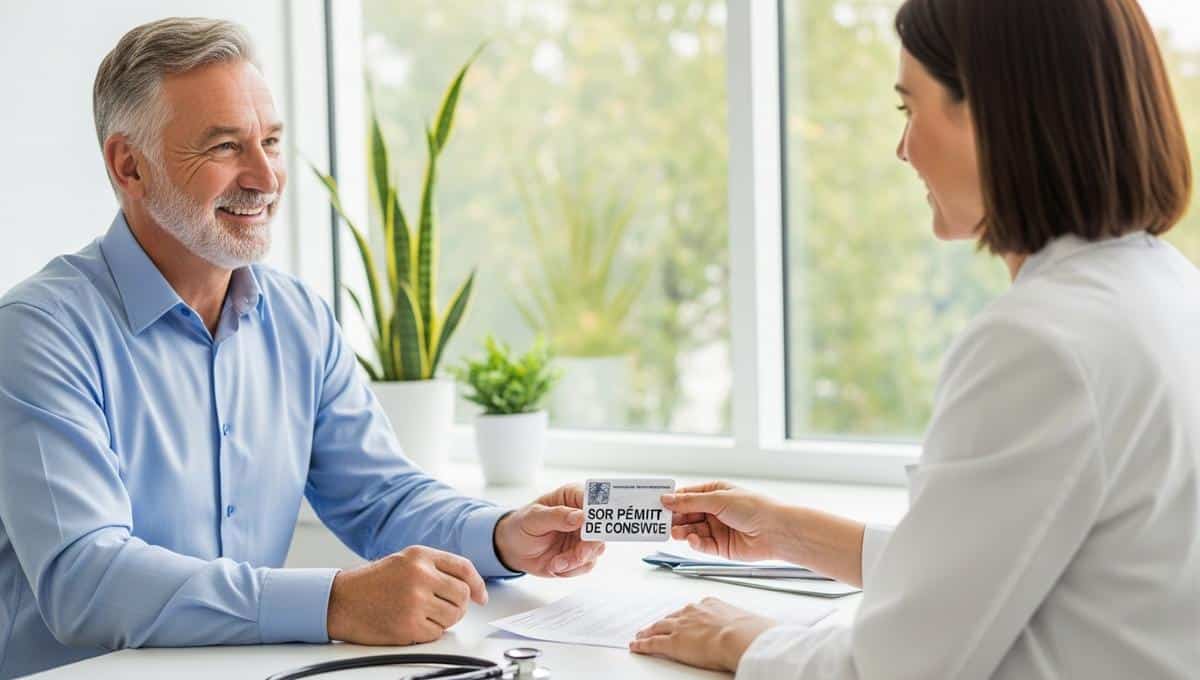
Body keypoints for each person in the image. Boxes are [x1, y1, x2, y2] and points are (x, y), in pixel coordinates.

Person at [0, 18, 604, 679]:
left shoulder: (297, 319)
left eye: (272, 142)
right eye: (226, 147)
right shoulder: (38, 332)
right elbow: (85, 579)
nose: (265, 177)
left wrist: (504, 534)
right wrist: (336, 601)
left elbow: (382, 498)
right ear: (129, 165)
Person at [630, 0, 1200, 678]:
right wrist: (785, 530)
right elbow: (1001, 558)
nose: (903, 149)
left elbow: (895, 668)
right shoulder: (1165, 288)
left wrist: (741, 639)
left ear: (994, 112)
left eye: (909, 109)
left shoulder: (1041, 344)